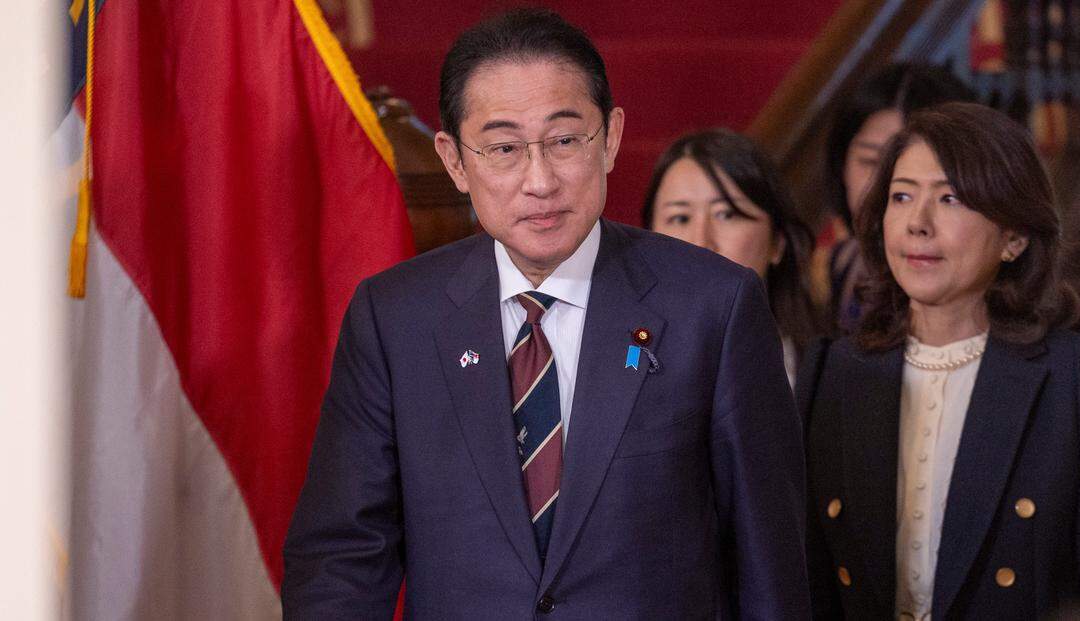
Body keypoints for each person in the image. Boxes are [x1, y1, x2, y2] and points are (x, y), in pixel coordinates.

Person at [282, 8, 809, 619]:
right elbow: (343, 557)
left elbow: (767, 568)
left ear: (609, 138)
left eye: (564, 141)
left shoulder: (712, 307)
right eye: (504, 148)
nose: (539, 180)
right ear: (455, 160)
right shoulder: (395, 319)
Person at [799, 102, 1080, 619]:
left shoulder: (1075, 373)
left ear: (1015, 237)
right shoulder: (834, 372)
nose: (918, 223)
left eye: (951, 198)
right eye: (901, 196)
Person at [642, 129, 818, 386]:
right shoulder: (621, 364)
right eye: (680, 218)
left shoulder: (831, 371)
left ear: (777, 243)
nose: (701, 242)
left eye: (727, 214)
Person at [821, 63, 975, 334]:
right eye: (870, 161)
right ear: (841, 164)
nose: (888, 184)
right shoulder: (843, 261)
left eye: (912, 165)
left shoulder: (958, 280)